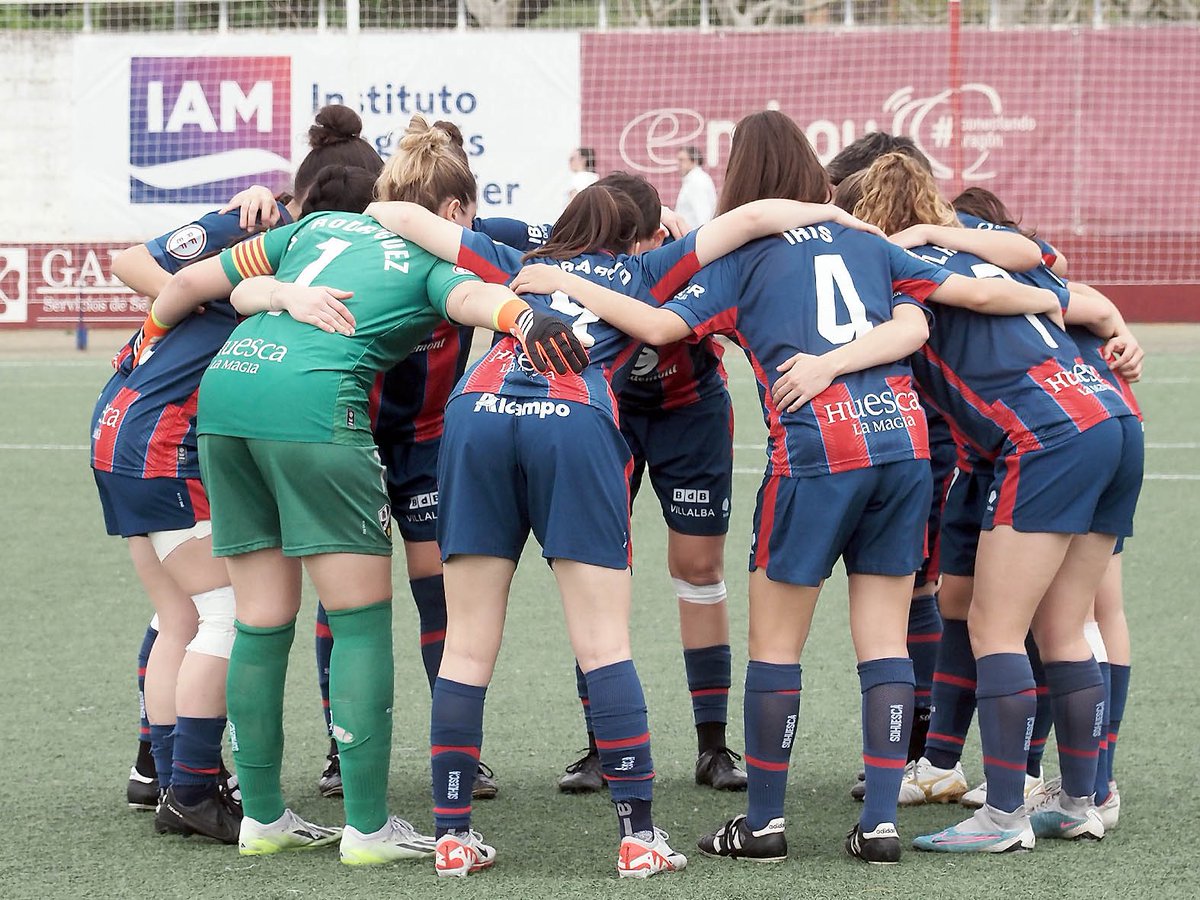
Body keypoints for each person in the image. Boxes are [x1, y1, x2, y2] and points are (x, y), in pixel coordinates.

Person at [509, 110, 1067, 865]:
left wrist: (563, 279)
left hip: (816, 452)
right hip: (901, 446)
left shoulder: (742, 257)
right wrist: (1055, 300)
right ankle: (878, 824)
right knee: (883, 641)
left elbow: (661, 328)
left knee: (778, 646)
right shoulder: (867, 239)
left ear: (742, 179)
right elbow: (957, 304)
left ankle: (764, 823)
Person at [367, 179, 881, 876]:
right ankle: (638, 837)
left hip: (475, 414)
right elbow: (755, 216)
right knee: (604, 640)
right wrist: (833, 211)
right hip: (571, 419)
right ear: (641, 234)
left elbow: (393, 212)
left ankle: (453, 837)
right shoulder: (644, 269)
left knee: (465, 644)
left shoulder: (511, 257)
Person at [135, 118, 587, 866]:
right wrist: (522, 314)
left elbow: (190, 284)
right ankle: (370, 829)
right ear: (456, 212)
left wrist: (152, 346)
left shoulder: (314, 230)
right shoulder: (431, 255)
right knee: (360, 622)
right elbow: (477, 300)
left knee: (260, 620)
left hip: (225, 403)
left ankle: (265, 818)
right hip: (314, 412)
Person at [98, 104, 383, 837]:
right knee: (224, 613)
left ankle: (169, 779)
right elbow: (133, 261)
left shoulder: (301, 244)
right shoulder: (256, 226)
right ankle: (191, 787)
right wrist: (205, 289)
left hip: (128, 428)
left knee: (181, 616)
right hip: (161, 436)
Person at [850, 153, 1142, 853]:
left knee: (995, 625)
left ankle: (1004, 813)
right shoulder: (986, 242)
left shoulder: (892, 265)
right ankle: (1078, 799)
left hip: (1044, 434)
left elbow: (919, 330)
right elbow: (1045, 260)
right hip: (1112, 417)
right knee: (1064, 627)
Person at [554, 171, 747, 796]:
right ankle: (602, 745)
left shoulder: (682, 259)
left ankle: (713, 746)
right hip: (612, 411)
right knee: (599, 569)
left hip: (691, 413)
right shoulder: (588, 263)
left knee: (698, 568)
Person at [675, 146, 717, 227]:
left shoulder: (697, 181)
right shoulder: (693, 180)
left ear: (694, 161)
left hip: (696, 236)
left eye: (682, 160)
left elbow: (704, 215)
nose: (678, 164)